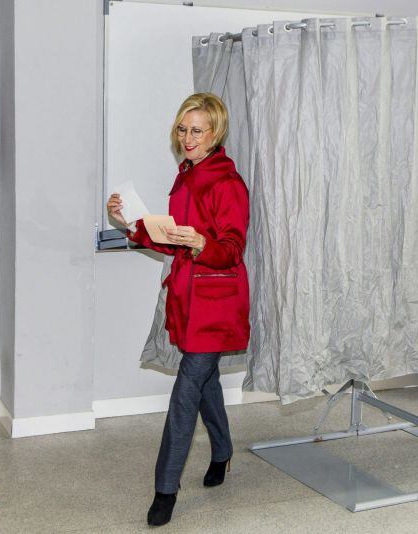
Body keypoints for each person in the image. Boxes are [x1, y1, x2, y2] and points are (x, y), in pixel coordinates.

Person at [107, 93, 250, 527]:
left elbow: (232, 249)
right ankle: (223, 453)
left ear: (215, 133)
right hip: (186, 299)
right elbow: (173, 239)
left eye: (197, 130)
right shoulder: (185, 177)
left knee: (186, 394)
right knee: (204, 384)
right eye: (183, 129)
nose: (187, 138)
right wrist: (131, 223)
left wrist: (204, 244)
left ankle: (165, 489)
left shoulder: (228, 183)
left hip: (218, 305)